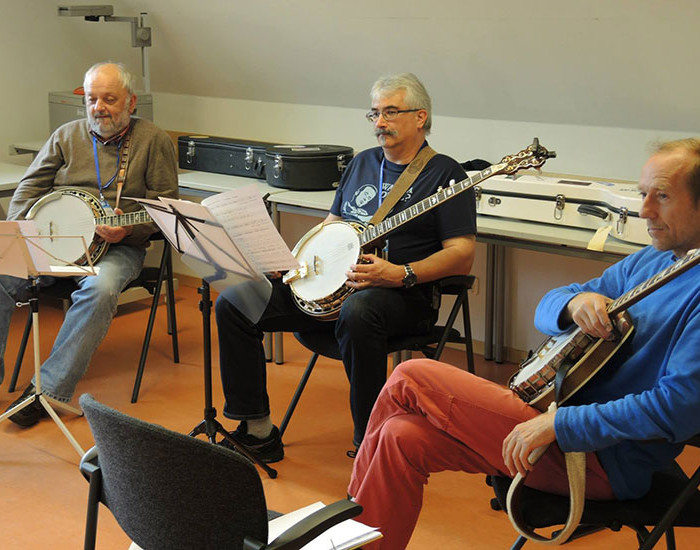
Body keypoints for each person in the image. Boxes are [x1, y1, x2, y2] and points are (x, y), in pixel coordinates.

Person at [347, 138, 700, 549]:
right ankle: (357, 543)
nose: (644, 212)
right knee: (399, 437)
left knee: (411, 375)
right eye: (642, 195)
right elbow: (547, 307)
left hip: (601, 459)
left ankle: (339, 525)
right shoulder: (656, 259)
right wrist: (575, 302)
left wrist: (559, 424)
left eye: (662, 197)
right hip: (551, 422)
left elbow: (678, 407)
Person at [215, 73, 477, 462]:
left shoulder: (446, 175)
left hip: (402, 295)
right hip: (332, 285)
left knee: (359, 311)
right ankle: (257, 430)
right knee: (236, 302)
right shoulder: (362, 163)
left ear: (420, 117)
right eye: (373, 114)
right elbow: (332, 223)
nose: (379, 123)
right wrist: (290, 262)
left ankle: (371, 444)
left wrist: (400, 274)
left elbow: (462, 252)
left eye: (390, 112)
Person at [1, 62, 179, 427]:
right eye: (92, 99)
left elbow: (166, 208)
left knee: (100, 289)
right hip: (54, 244)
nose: (99, 107)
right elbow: (28, 190)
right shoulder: (66, 136)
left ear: (131, 102)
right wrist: (23, 234)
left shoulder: (154, 140)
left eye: (109, 99)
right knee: (1, 275)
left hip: (118, 248)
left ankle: (47, 391)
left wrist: (127, 232)